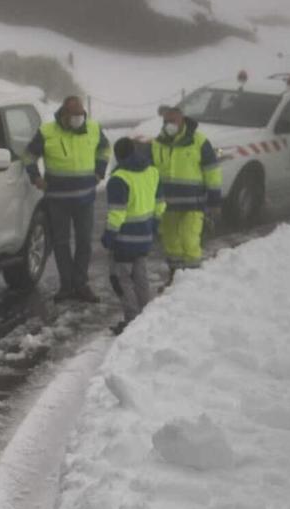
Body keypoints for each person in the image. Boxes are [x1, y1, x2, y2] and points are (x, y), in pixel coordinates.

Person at [24, 96, 108, 302]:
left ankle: (81, 284)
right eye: (74, 115)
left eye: (81, 114)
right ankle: (67, 285)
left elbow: (105, 149)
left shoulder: (94, 128)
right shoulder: (47, 132)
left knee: (84, 242)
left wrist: (99, 172)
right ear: (64, 114)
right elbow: (28, 155)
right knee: (61, 243)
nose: (79, 118)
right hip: (57, 199)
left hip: (85, 199)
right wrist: (35, 177)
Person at [149, 103, 222, 276]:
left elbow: (212, 172)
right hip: (167, 205)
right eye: (166, 121)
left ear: (182, 120)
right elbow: (150, 173)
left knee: (189, 240)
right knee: (171, 243)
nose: (169, 124)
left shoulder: (199, 141)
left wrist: (214, 200)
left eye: (173, 120)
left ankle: (192, 281)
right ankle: (175, 278)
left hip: (193, 204)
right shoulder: (157, 143)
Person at [101, 137, 163, 332]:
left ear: (118, 156)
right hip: (144, 237)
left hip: (124, 240)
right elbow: (160, 202)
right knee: (141, 277)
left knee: (121, 280)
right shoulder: (152, 171)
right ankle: (145, 314)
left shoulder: (119, 179)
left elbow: (117, 213)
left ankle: (131, 319)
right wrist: (155, 223)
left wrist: (109, 236)